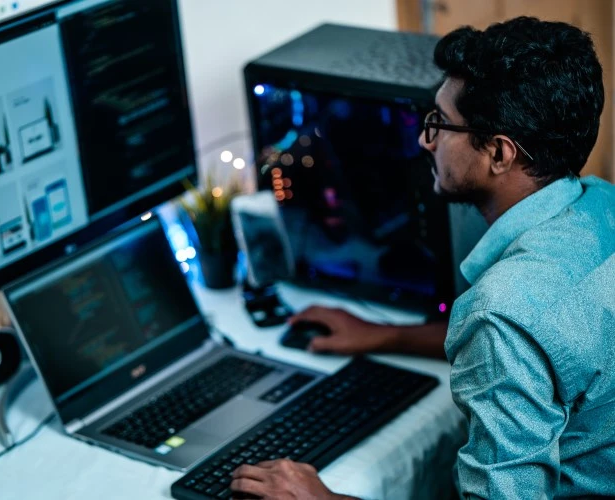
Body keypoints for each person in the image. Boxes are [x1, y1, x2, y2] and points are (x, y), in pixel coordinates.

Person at [230, 16, 615, 499]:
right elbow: (547, 342)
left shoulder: (503, 312)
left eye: (439, 124)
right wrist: (384, 334)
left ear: (498, 153)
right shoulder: (602, 205)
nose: (423, 141)